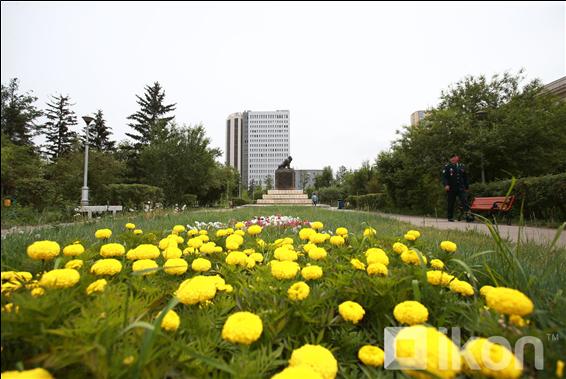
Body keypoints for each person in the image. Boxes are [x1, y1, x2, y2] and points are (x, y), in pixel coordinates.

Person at [442, 154, 470, 222]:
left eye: (455, 158)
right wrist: (446, 185)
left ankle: (468, 216)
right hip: (451, 188)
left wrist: (467, 187)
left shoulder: (462, 166)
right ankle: (450, 217)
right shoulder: (447, 167)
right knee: (451, 202)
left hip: (461, 187)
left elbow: (465, 177)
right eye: (452, 158)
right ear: (450, 159)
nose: (454, 159)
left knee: (464, 201)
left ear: (457, 158)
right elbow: (444, 177)